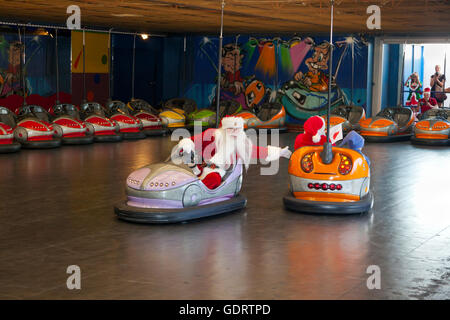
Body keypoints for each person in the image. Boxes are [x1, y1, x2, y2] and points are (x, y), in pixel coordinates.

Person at [176, 116, 292, 189]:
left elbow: (257, 151)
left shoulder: (241, 143)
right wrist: (186, 145)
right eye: (231, 129)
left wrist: (279, 152)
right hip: (200, 165)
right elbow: (192, 141)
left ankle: (198, 191)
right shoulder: (211, 134)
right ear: (224, 129)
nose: (234, 132)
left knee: (213, 178)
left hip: (219, 171)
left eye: (237, 129)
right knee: (184, 174)